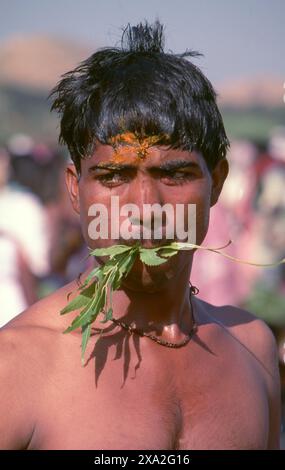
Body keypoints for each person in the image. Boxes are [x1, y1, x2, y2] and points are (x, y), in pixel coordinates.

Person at [0, 20, 281, 450]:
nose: (145, 207)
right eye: (114, 176)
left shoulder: (253, 349)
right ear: (76, 189)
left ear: (218, 182)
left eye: (174, 173)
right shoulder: (17, 367)